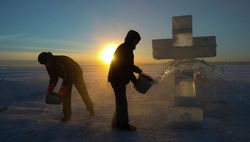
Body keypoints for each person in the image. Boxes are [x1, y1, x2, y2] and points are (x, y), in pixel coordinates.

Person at [38, 52, 94, 121]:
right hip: (66, 76)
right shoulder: (48, 65)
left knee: (82, 92)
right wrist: (50, 88)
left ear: (49, 59)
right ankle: (67, 115)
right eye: (44, 64)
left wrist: (63, 88)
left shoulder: (61, 61)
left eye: (46, 62)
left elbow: (68, 75)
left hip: (76, 74)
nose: (46, 65)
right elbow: (53, 77)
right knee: (66, 95)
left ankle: (91, 110)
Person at [108, 30, 142, 131]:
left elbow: (127, 68)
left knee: (120, 101)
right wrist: (136, 71)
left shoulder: (126, 48)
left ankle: (116, 123)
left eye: (137, 41)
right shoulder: (125, 48)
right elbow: (126, 65)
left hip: (118, 78)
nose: (136, 43)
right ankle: (123, 125)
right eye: (135, 40)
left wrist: (134, 79)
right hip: (117, 78)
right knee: (122, 102)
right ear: (131, 39)